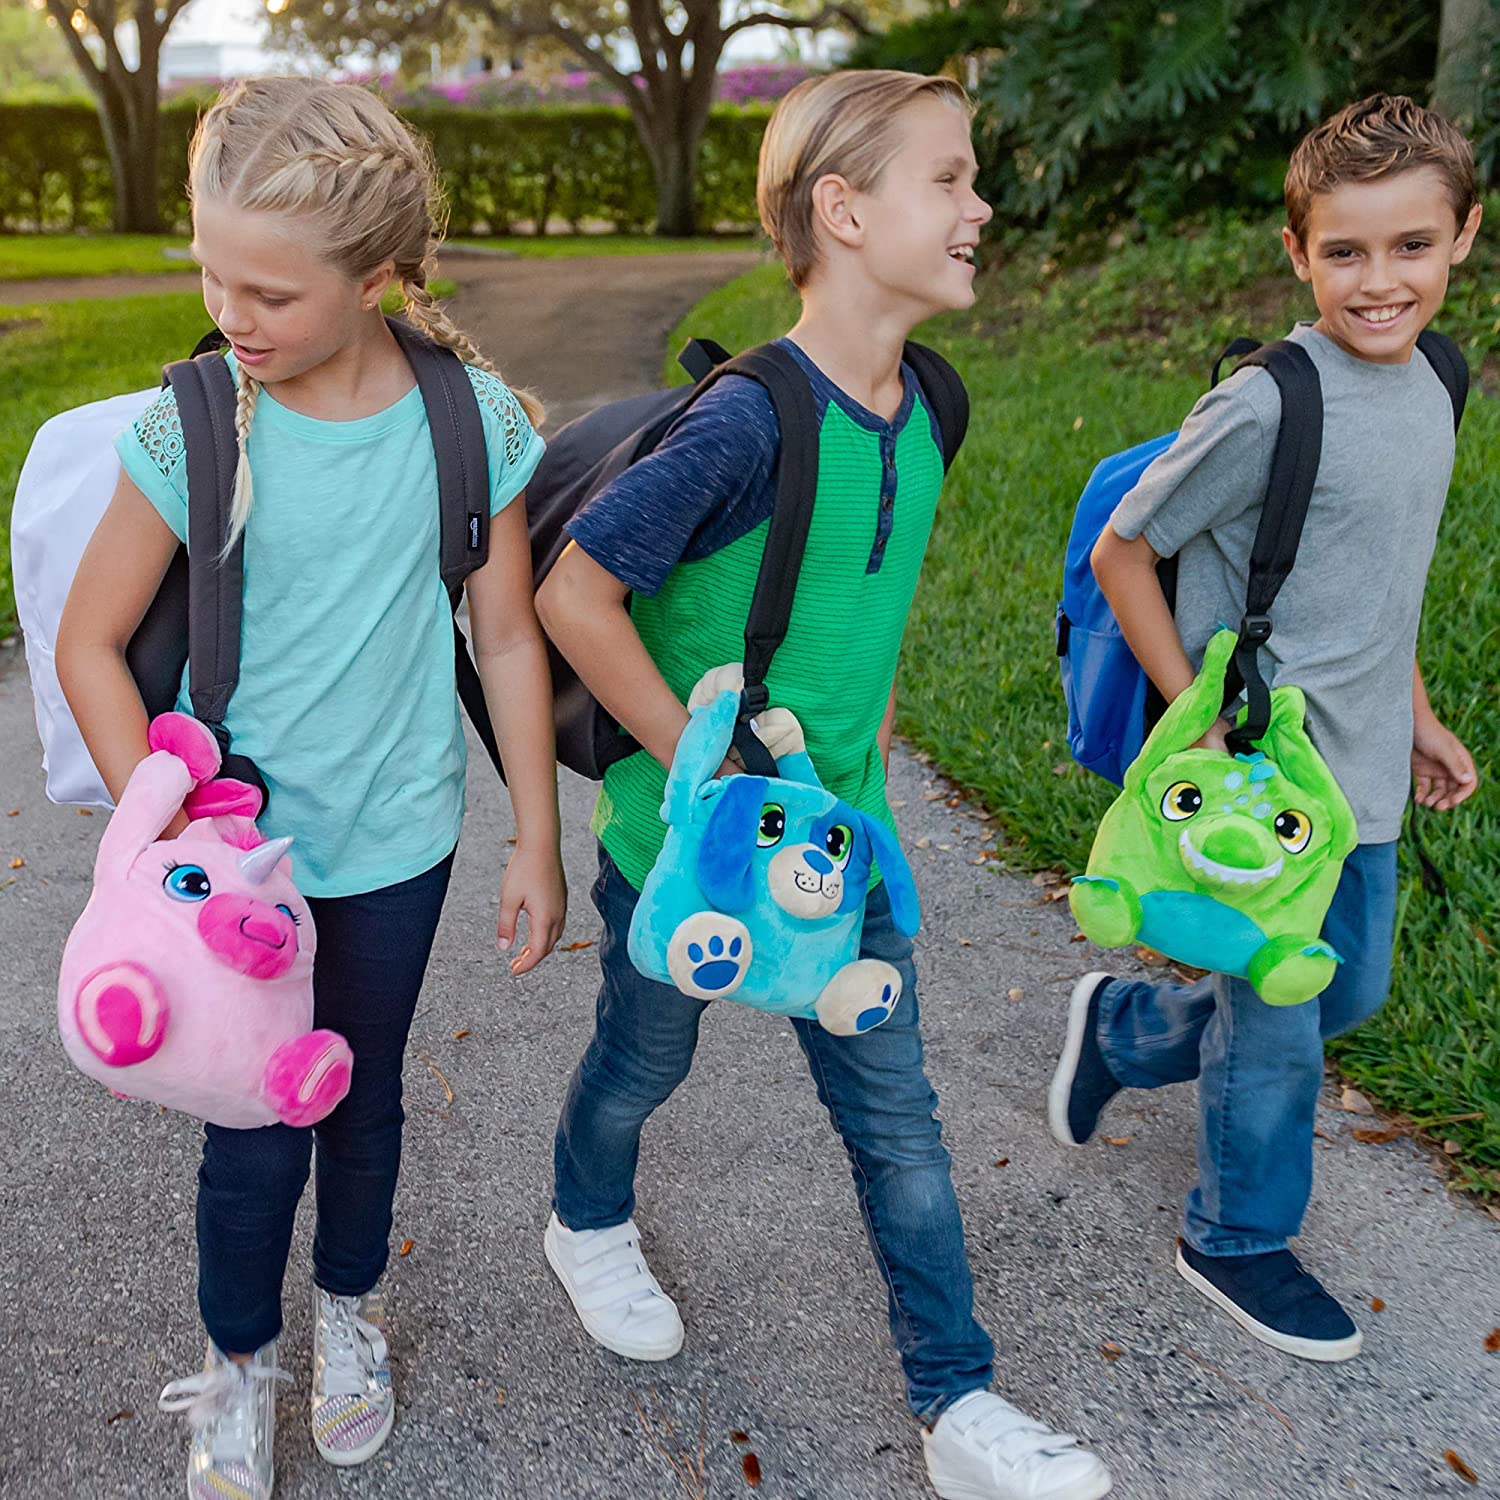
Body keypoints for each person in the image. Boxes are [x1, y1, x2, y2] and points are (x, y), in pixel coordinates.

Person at [536, 70, 1113, 1500]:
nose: (982, 207)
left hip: (835, 849)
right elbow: (574, 592)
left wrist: (871, 812)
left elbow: (872, 627)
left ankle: (957, 1401)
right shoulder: (744, 425)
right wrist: (701, 772)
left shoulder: (935, 407)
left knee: (895, 1117)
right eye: (952, 180)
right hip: (689, 848)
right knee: (643, 1059)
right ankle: (584, 1219)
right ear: (845, 213)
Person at [54, 76, 567, 1500]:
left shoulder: (468, 423)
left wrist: (539, 832)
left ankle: (349, 1314)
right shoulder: (201, 426)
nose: (233, 312)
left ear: (382, 275)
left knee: (359, 1099)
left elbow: (508, 632)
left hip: (400, 843)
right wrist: (152, 835)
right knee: (249, 1129)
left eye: (270, 290)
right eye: (212, 273)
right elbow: (91, 640)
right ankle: (238, 1357)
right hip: (234, 873)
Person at [1050, 92, 1481, 1362]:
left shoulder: (1440, 382)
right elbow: (1129, 550)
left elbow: (1374, 583)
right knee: (1282, 1027)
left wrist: (1418, 714)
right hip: (1258, 785)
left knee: (1345, 991)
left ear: (1464, 238)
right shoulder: (1268, 404)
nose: (1380, 280)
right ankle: (1234, 1236)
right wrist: (1197, 723)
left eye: (1412, 245)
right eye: (1344, 250)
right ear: (1298, 253)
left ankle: (1126, 1034)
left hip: (1362, 774)